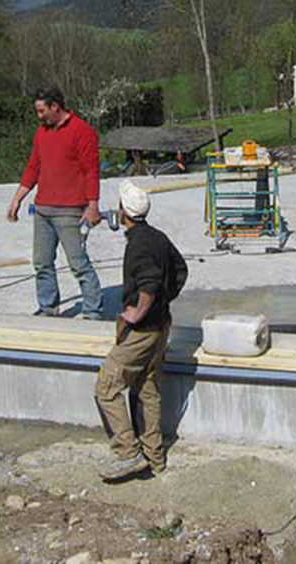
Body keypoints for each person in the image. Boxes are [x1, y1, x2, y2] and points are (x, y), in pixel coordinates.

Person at [95, 180, 186, 480]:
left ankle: (127, 453)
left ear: (124, 211)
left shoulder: (138, 245)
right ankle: (154, 459)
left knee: (106, 387)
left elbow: (147, 282)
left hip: (144, 330)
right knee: (147, 388)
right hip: (162, 325)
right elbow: (180, 269)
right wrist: (164, 300)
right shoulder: (157, 237)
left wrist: (138, 311)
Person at [6, 86, 106, 319]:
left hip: (70, 212)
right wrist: (17, 199)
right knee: (41, 264)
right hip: (43, 211)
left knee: (79, 265)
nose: (39, 117)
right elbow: (33, 167)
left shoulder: (82, 131)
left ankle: (93, 312)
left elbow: (91, 171)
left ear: (55, 107)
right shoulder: (42, 132)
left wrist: (93, 206)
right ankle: (48, 308)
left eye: (42, 111)